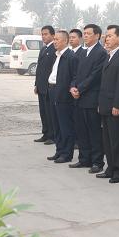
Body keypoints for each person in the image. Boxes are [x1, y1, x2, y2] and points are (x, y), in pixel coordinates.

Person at [69, 24, 108, 173]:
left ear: (97, 36)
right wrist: (72, 86)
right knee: (81, 130)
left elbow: (95, 76)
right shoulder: (82, 53)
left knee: (94, 132)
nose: (85, 36)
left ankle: (97, 162)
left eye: (88, 33)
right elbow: (75, 74)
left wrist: (79, 88)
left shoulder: (101, 53)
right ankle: (84, 159)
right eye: (84, 33)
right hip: (78, 98)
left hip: (91, 98)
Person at [97, 25, 119, 183]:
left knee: (117, 141)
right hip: (105, 104)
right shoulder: (110, 55)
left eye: (110, 35)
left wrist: (117, 105)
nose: (107, 38)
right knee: (107, 139)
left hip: (114, 106)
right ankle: (110, 168)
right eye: (107, 35)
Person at [46, 31, 78, 163]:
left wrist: (71, 88)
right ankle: (59, 150)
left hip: (63, 94)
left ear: (65, 41)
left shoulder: (71, 56)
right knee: (56, 125)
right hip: (52, 91)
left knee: (65, 126)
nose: (54, 41)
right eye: (54, 39)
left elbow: (75, 76)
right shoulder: (57, 55)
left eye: (57, 39)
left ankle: (66, 154)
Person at [34, 26, 56, 144]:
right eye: (42, 34)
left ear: (53, 35)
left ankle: (52, 136)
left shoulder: (54, 49)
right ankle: (45, 133)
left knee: (50, 112)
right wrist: (36, 84)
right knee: (43, 112)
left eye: (46, 34)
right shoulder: (43, 49)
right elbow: (39, 69)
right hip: (41, 86)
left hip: (49, 87)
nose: (43, 36)